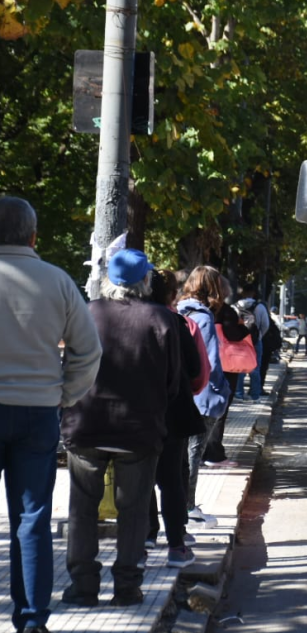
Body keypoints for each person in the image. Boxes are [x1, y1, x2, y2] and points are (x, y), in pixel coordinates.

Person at [0, 196, 102, 633]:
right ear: (34, 236)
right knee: (32, 520)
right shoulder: (58, 282)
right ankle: (31, 621)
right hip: (38, 411)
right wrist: (65, 394)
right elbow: (88, 349)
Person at [60, 248, 181, 608]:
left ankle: (83, 587)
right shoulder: (161, 319)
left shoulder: (88, 312)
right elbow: (173, 382)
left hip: (86, 426)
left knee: (82, 509)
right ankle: (127, 587)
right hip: (139, 430)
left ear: (107, 280)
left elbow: (69, 365)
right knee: (134, 510)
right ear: (145, 280)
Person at [145, 269, 207, 568]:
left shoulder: (106, 315)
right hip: (171, 411)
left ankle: (144, 537)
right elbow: (196, 368)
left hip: (132, 412)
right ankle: (176, 543)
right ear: (171, 294)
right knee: (171, 479)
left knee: (139, 476)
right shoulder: (176, 322)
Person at [177, 266, 232, 527]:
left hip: (177, 392)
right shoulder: (204, 317)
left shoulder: (177, 310)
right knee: (193, 454)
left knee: (177, 454)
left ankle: (178, 506)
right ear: (213, 288)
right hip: (201, 395)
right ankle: (188, 508)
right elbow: (209, 361)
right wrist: (221, 394)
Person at [201, 278, 244, 469]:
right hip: (224, 365)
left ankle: (199, 453)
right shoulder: (225, 311)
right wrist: (246, 326)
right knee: (220, 408)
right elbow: (234, 334)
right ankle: (214, 453)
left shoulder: (196, 310)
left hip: (200, 364)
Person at [234, 284, 270, 401]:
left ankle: (239, 394)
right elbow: (265, 325)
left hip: (239, 341)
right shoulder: (260, 307)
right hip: (255, 341)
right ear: (254, 293)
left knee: (239, 368)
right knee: (255, 368)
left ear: (242, 292)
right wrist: (258, 336)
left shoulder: (234, 307)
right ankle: (255, 395)